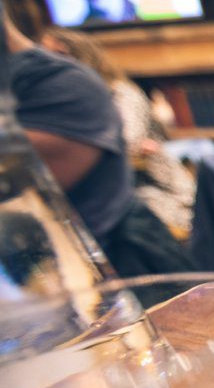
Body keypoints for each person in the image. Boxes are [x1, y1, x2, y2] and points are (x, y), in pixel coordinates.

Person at [3, 10, 191, 277]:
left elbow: (130, 140)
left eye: (51, 53)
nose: (45, 59)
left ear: (71, 53)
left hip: (153, 195)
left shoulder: (91, 87)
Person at [41, 26, 196, 237]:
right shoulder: (63, 107)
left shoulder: (121, 93)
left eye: (59, 55)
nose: (49, 65)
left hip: (153, 191)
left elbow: (127, 142)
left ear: (81, 56)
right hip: (110, 197)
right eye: (44, 56)